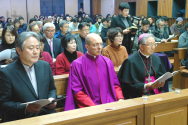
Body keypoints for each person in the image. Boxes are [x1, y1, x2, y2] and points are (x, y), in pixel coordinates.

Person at [0, 32, 57, 122]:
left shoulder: (45, 66)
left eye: (37, 48)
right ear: (19, 50)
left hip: (46, 114)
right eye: (31, 48)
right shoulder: (7, 73)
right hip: (22, 118)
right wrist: (25, 108)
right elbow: (3, 103)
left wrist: (52, 99)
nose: (36, 51)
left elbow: (52, 89)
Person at [64, 33, 124, 111]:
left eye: (101, 44)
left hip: (110, 103)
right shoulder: (77, 65)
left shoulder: (107, 62)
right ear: (87, 46)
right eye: (95, 45)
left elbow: (115, 85)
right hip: (90, 106)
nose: (99, 48)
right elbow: (77, 91)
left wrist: (120, 98)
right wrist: (94, 107)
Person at [117, 33, 166, 99]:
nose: (153, 47)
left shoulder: (156, 58)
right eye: (150, 45)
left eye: (154, 44)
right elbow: (127, 85)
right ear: (141, 46)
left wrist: (160, 83)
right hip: (138, 95)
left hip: (155, 92)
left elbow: (160, 75)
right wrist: (145, 86)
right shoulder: (130, 61)